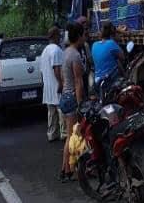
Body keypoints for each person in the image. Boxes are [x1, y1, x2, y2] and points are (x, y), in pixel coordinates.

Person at [60, 22, 85, 182]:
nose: (85, 37)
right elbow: (78, 82)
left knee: (72, 135)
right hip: (71, 98)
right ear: (79, 36)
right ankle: (68, 169)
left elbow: (64, 78)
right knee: (72, 136)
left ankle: (65, 168)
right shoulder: (75, 54)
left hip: (65, 96)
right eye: (84, 34)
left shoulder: (66, 52)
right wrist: (80, 103)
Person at [41, 26, 64, 142]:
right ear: (55, 36)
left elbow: (42, 70)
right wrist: (60, 83)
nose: (60, 37)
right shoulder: (56, 50)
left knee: (51, 113)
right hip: (56, 85)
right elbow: (57, 69)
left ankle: (51, 134)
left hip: (48, 87)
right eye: (59, 35)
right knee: (61, 111)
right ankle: (64, 134)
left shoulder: (45, 51)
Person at [91, 22, 124, 98]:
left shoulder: (94, 45)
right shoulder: (111, 43)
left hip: (97, 81)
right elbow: (122, 57)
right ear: (112, 34)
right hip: (110, 81)